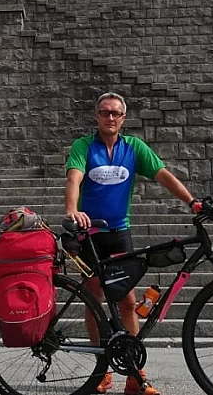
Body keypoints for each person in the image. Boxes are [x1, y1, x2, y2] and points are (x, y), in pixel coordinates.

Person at [64, 92, 196, 395]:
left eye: (115, 113)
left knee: (127, 300)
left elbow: (163, 175)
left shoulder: (134, 148)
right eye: (104, 112)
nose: (110, 117)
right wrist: (71, 209)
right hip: (88, 235)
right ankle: (102, 370)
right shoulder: (83, 146)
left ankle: (136, 374)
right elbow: (74, 178)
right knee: (93, 298)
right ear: (96, 116)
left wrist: (192, 202)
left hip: (119, 232)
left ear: (123, 118)